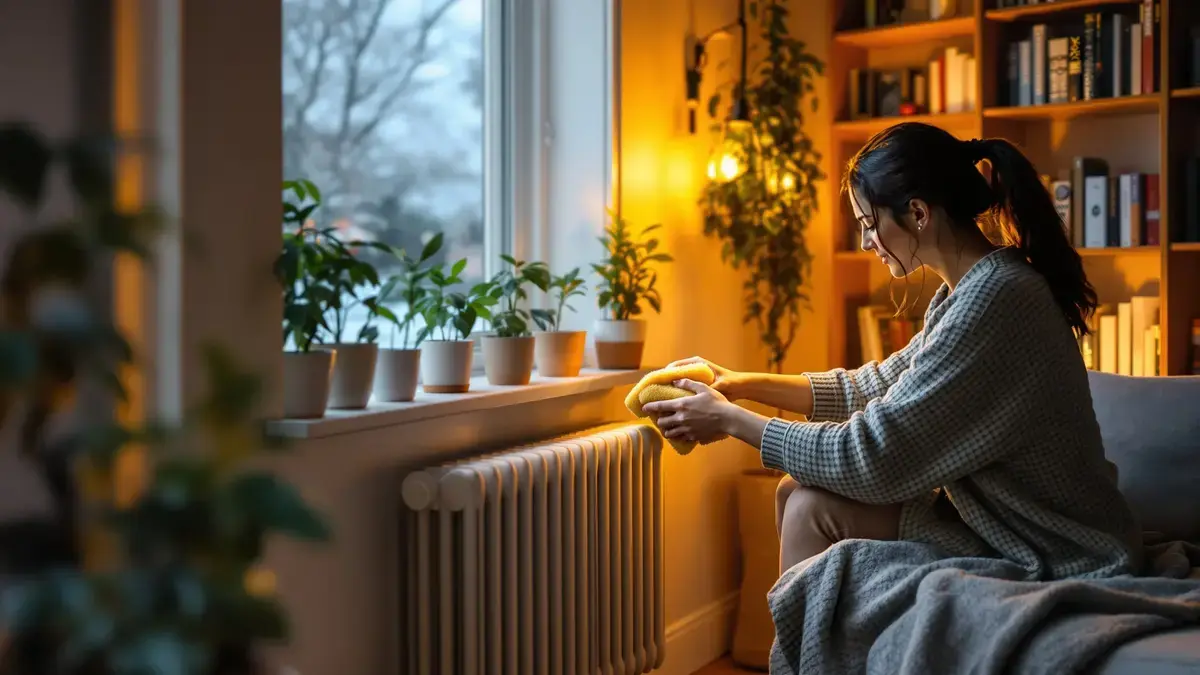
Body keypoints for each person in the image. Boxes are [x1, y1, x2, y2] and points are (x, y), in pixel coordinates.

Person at [640, 122, 1144, 581]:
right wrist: (735, 383)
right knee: (796, 490)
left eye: (868, 223)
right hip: (1001, 528)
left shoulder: (998, 299)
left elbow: (872, 456)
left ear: (919, 214)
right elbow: (869, 387)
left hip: (1054, 549)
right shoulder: (970, 291)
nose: (865, 243)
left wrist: (730, 421)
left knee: (806, 504)